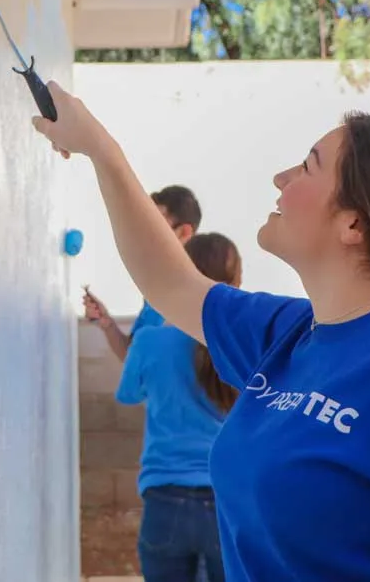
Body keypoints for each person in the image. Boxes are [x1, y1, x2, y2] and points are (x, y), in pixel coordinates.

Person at [34, 82, 370, 582]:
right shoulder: (287, 333)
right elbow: (169, 282)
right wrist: (100, 150)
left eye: (307, 166)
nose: (281, 178)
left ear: (355, 225)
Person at [116, 232, 241, 582]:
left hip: (164, 503)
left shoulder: (150, 340)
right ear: (233, 282)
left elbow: (128, 394)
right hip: (228, 506)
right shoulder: (243, 345)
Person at [83, 185, 202, 360]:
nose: (146, 232)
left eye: (156, 225)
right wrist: (107, 323)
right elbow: (131, 355)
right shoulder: (156, 283)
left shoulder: (191, 293)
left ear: (184, 232)